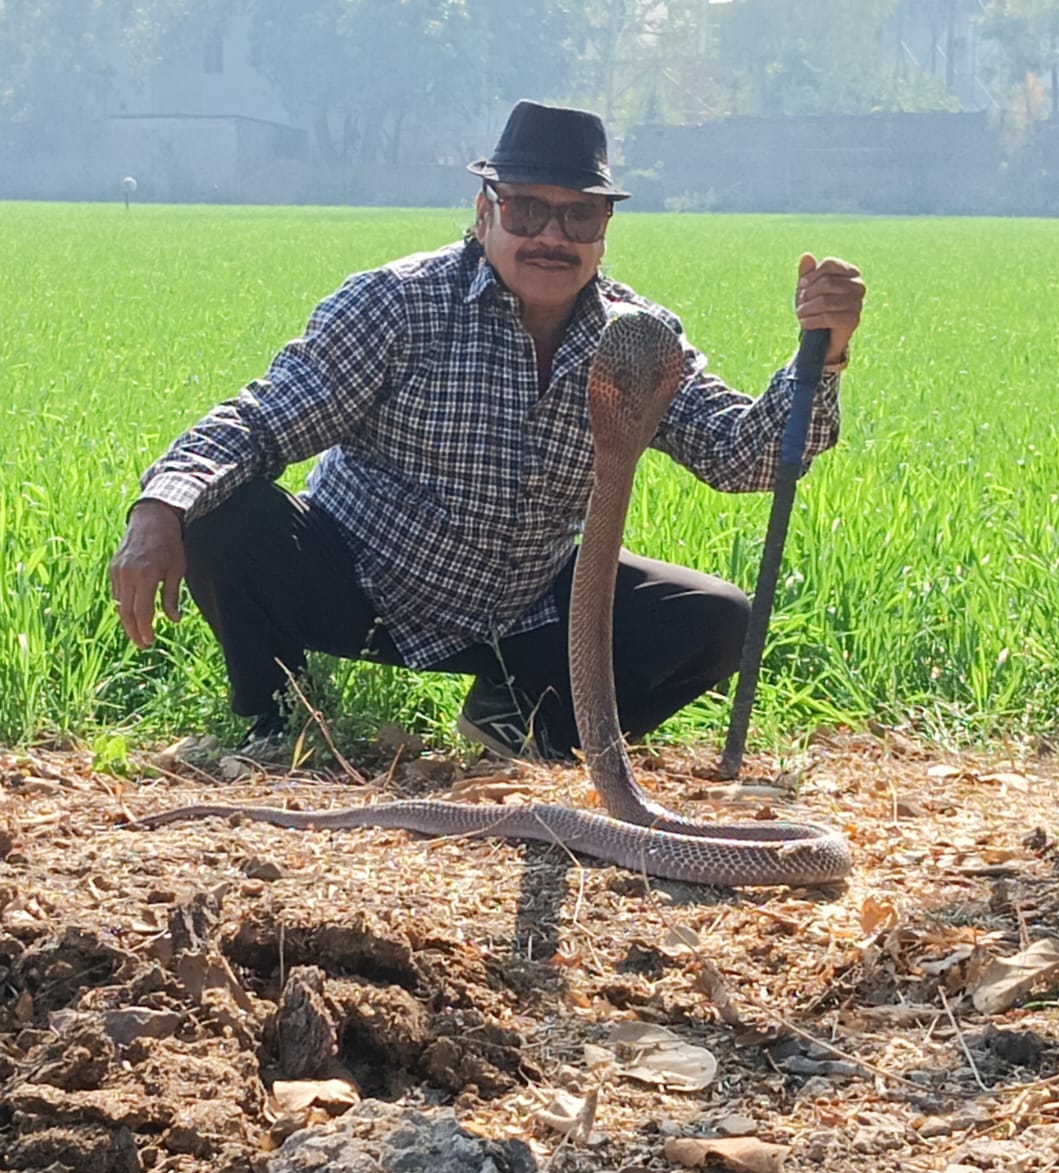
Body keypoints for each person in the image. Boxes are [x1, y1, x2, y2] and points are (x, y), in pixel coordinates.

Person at [109, 99, 865, 763]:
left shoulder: (636, 338)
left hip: (527, 605)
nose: (552, 236)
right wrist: (160, 508)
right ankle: (279, 723)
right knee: (220, 509)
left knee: (717, 618)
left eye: (579, 215)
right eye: (527, 209)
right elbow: (264, 418)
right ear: (484, 211)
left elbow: (741, 454)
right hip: (363, 585)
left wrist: (824, 355)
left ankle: (524, 722)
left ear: (604, 230)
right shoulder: (399, 306)